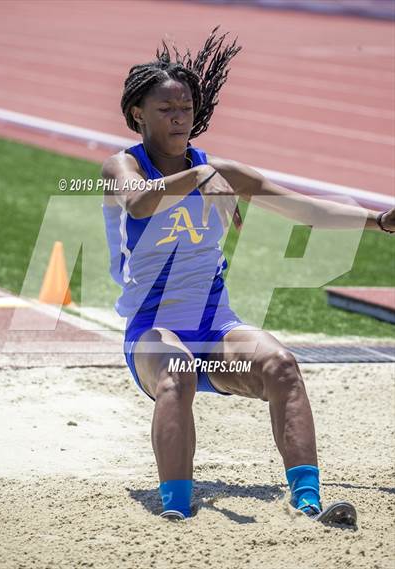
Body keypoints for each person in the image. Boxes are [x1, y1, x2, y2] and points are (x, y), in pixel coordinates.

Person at [102, 28, 395, 525]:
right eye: (166, 109)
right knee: (177, 373)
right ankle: (177, 508)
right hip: (152, 331)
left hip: (215, 328)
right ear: (138, 114)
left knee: (281, 366)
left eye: (187, 108)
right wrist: (200, 177)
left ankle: (309, 502)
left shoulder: (222, 172)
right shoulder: (121, 166)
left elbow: (307, 212)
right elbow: (139, 199)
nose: (180, 118)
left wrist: (378, 221)